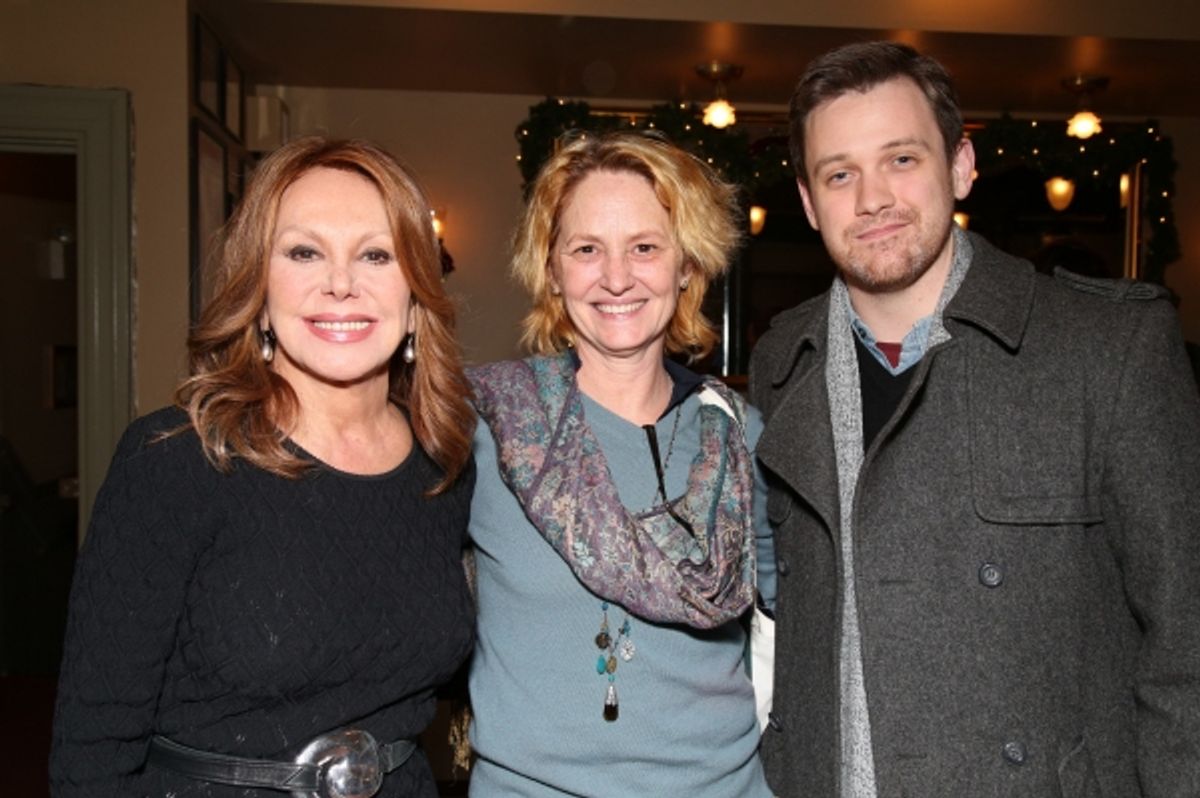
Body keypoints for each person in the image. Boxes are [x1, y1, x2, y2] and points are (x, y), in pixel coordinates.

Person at [749, 41, 1200, 797]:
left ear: (960, 165)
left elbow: (1187, 648)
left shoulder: (1110, 351)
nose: (871, 200)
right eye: (839, 174)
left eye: (901, 159)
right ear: (807, 200)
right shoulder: (778, 364)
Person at [49, 137, 477, 797]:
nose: (341, 283)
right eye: (304, 252)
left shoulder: (444, 463)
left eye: (376, 254)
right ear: (258, 283)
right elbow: (91, 753)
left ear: (417, 290)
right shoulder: (178, 461)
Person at [466, 130, 775, 796]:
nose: (615, 278)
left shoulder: (741, 439)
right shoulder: (487, 430)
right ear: (551, 269)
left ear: (686, 264)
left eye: (645, 247)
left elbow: (799, 630)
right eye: (586, 250)